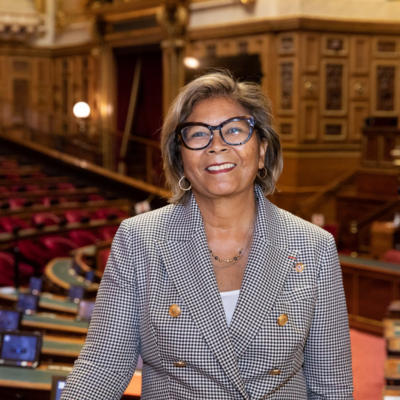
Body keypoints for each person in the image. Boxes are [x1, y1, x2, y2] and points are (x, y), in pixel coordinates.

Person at [60, 71, 353, 399]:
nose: (217, 145)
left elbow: (332, 387)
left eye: (234, 130)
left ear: (262, 151)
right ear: (181, 159)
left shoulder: (314, 246)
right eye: (198, 134)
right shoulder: (138, 239)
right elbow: (102, 366)